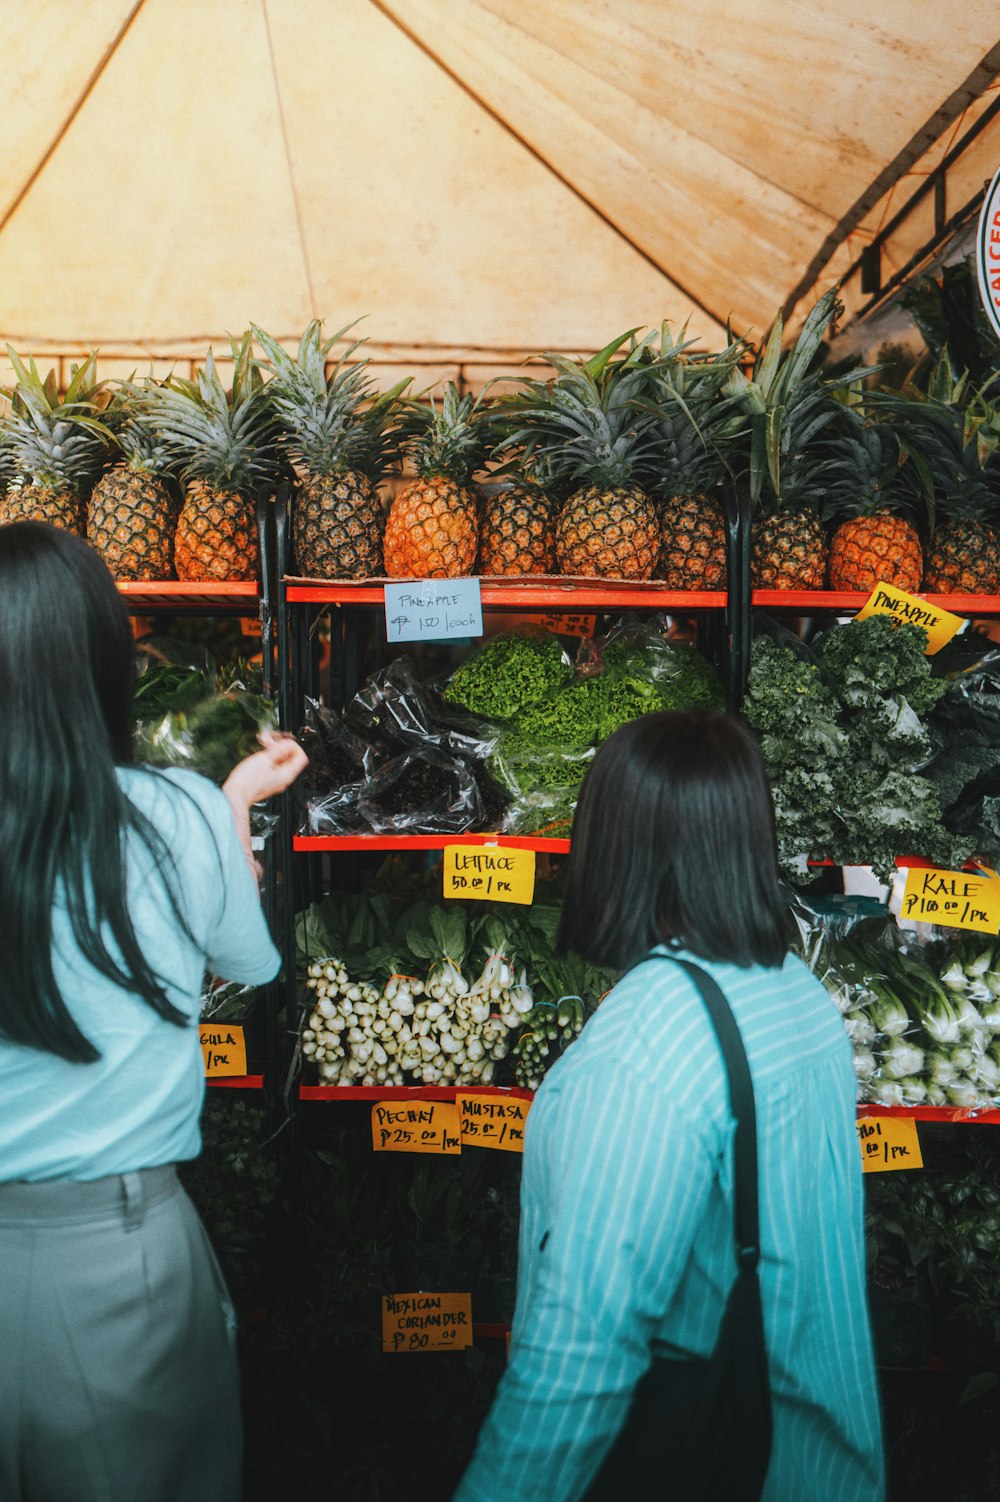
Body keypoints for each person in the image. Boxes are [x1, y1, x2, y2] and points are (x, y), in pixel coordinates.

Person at [453, 710, 884, 1502]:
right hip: (810, 1461)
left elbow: (581, 1356)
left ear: (614, 844)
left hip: (696, 1457)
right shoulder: (799, 994)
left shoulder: (645, 1049)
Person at [0, 520, 308, 1502]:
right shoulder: (172, 814)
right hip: (117, 1262)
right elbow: (248, 958)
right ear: (107, 657)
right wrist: (229, 808)